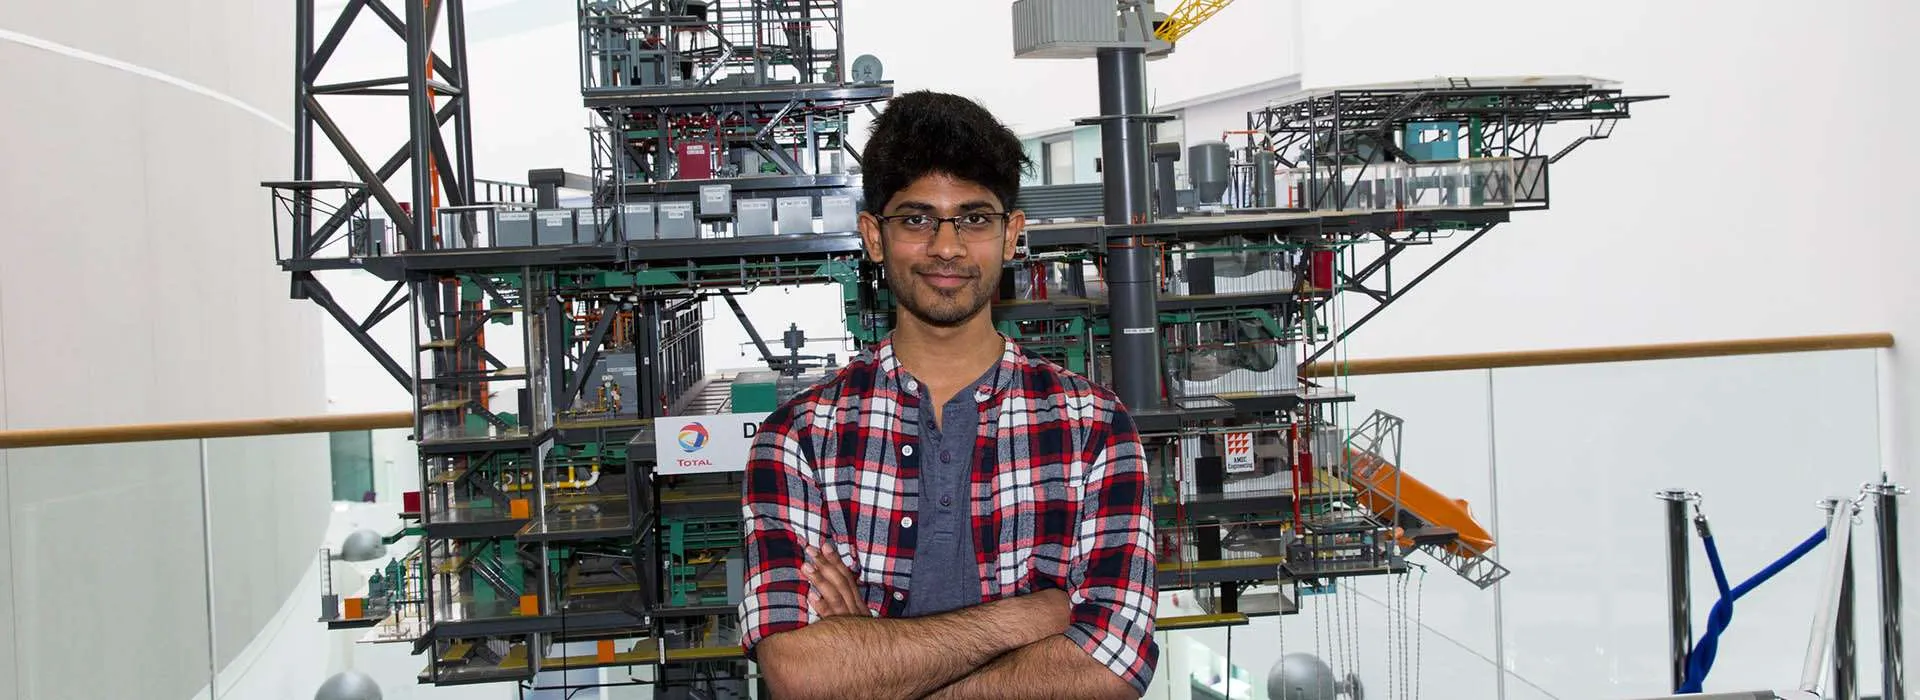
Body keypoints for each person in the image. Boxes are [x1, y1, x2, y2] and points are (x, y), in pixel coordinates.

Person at [736, 90, 1160, 700]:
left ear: (1012, 235)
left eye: (975, 219)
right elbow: (802, 675)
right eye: (916, 219)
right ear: (874, 236)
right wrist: (1027, 618)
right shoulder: (800, 438)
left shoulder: (1092, 425)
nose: (946, 247)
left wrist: (872, 662)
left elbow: (1110, 667)